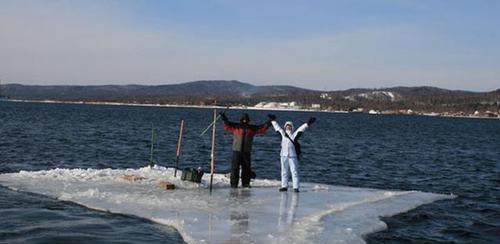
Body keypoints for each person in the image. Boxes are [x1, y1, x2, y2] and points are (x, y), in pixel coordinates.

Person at [220, 112, 273, 188]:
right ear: (241, 120)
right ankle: (234, 184)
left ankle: (245, 184)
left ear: (248, 120)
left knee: (246, 169)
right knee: (235, 168)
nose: (244, 121)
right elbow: (227, 125)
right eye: (243, 119)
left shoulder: (252, 128)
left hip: (246, 152)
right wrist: (223, 117)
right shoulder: (236, 127)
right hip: (236, 151)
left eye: (246, 119)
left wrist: (269, 121)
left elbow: (262, 128)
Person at [269, 115, 316, 192]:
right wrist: (273, 121)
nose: (288, 127)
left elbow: (301, 129)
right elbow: (277, 127)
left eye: (289, 126)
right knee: (284, 171)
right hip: (283, 155)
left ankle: (296, 187)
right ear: (284, 127)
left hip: (292, 156)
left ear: (292, 127)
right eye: (287, 126)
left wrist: (307, 124)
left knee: (294, 171)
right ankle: (284, 186)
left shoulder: (294, 135)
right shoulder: (282, 134)